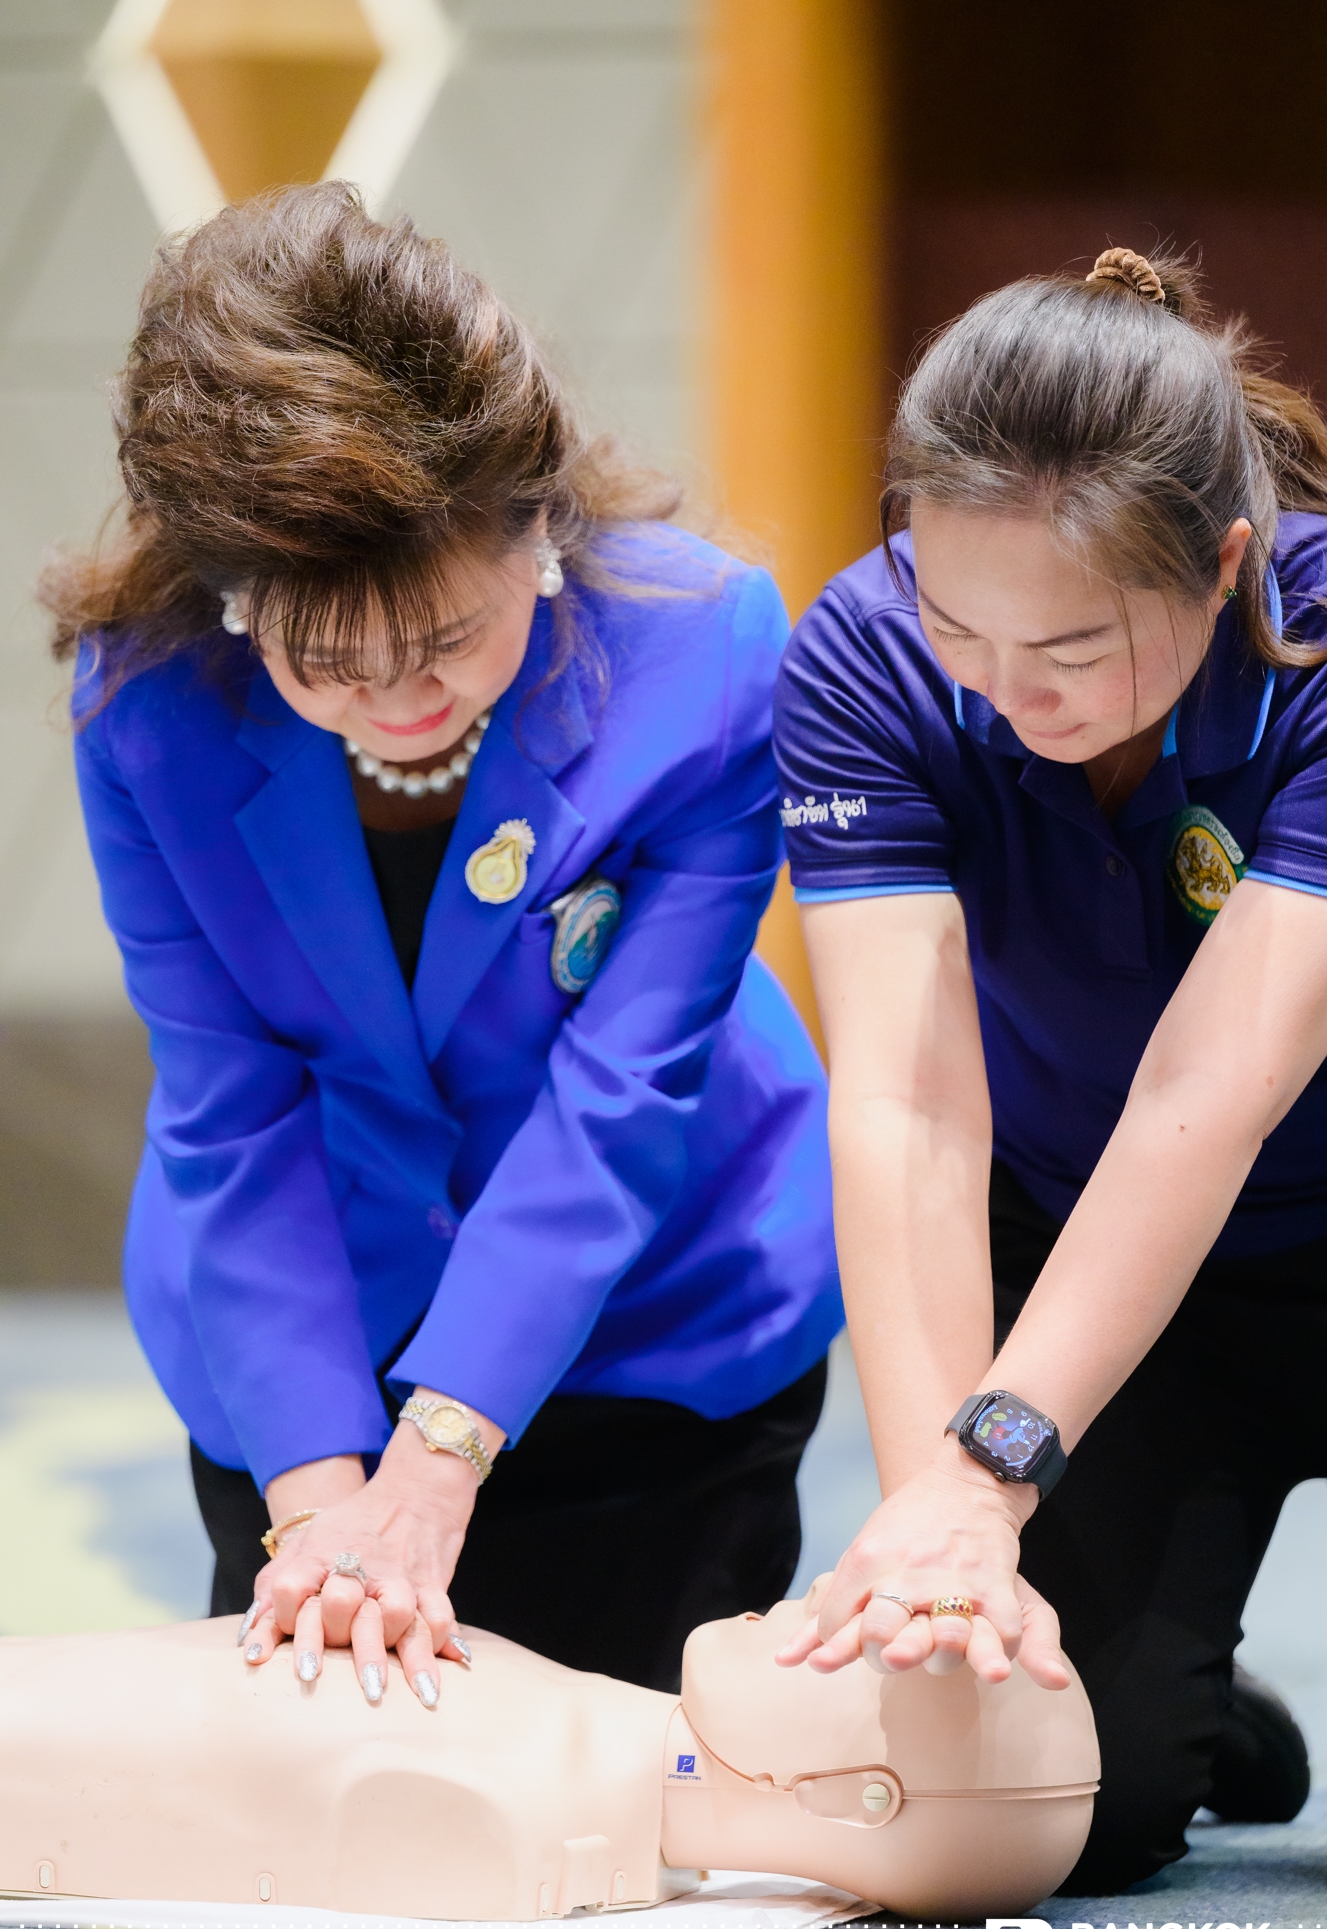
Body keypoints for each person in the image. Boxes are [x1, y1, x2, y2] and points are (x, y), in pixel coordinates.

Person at [48, 183, 842, 1704]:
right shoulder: (148, 706)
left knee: (621, 1776)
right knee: (326, 1751)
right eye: (327, 663)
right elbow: (230, 1110)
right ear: (233, 601)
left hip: (654, 1307)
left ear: (535, 524)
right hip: (306, 1323)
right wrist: (321, 1510)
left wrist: (438, 1465)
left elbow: (619, 1100)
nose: (401, 701)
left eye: (446, 640)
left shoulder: (705, 655)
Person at [771, 246, 1327, 1894]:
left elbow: (1203, 1095)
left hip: (1325, 1211)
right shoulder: (863, 657)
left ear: (1222, 563)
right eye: (957, 622)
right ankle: (1183, 1707)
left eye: (1073, 646)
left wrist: (992, 1466)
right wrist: (943, 1532)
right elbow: (905, 1104)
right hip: (1088, 1255)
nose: (1005, 689)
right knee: (1032, 1810)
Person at [0, 1581, 1098, 1922]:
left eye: (868, 1653)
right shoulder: (569, 1736)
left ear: (859, 1795)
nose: (826, 1595)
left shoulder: (507, 1809)